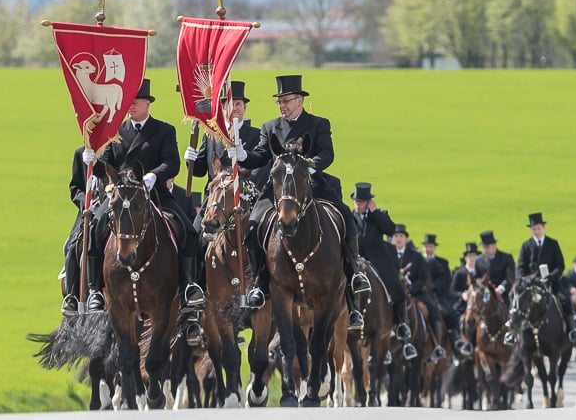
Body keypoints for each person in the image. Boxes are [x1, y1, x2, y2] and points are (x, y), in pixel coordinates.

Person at [237, 74, 369, 331]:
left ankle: (354, 273)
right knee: (253, 226)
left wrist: (309, 167)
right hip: (279, 191)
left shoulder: (318, 123)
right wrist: (242, 155)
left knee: (345, 216)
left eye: (286, 101)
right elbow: (261, 156)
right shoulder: (270, 127)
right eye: (280, 102)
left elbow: (327, 153)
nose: (282, 106)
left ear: (300, 100)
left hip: (313, 185)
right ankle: (260, 283)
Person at [90, 79, 205, 344]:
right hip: (121, 195)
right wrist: (94, 160)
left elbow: (172, 162)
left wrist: (154, 175)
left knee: (186, 229)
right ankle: (95, 288)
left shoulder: (163, 130)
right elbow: (107, 163)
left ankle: (189, 286)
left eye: (135, 102)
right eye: (128, 102)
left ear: (147, 103)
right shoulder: (117, 130)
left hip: (154, 193)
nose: (130, 106)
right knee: (96, 226)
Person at [183, 80, 263, 234]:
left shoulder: (256, 135)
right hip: (214, 199)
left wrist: (243, 186)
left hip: (244, 198)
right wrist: (191, 160)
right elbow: (200, 171)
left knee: (258, 237)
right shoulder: (211, 135)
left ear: (244, 107)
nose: (234, 108)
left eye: (238, 104)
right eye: (228, 104)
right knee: (193, 237)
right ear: (222, 108)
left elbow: (259, 168)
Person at [351, 182, 411, 345]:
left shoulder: (379, 215)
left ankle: (401, 323)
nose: (358, 205)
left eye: (361, 202)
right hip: (355, 259)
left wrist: (375, 213)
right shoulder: (349, 216)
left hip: (377, 259)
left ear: (368, 203)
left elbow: (390, 229)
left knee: (396, 287)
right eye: (356, 201)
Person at [511, 212, 576, 344]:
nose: (536, 231)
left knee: (564, 299)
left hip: (551, 283)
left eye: (538, 228)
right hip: (530, 285)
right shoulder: (526, 246)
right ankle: (513, 332)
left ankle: (572, 329)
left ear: (543, 228)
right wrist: (525, 279)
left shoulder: (553, 243)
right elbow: (520, 267)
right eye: (534, 229)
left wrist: (551, 276)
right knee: (517, 301)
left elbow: (560, 265)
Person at [60, 146, 104, 316]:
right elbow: (75, 188)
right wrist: (84, 202)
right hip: (87, 210)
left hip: (109, 207)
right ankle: (71, 295)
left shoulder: (114, 150)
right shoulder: (80, 154)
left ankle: (95, 290)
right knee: (72, 246)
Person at [392, 224, 443, 360]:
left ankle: (436, 346)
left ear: (405, 239)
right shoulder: (387, 254)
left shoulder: (415, 256)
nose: (398, 239)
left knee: (433, 308)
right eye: (396, 236)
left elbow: (423, 277)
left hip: (414, 292)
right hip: (393, 293)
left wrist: (412, 288)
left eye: (401, 236)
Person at [423, 233, 462, 352]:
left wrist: (434, 287)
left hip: (437, 295)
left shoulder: (442, 262)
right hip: (421, 294)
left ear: (435, 248)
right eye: (427, 246)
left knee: (449, 313)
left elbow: (445, 279)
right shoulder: (418, 260)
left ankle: (454, 341)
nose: (429, 249)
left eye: (431, 246)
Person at [478, 230, 515, 300]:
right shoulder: (479, 260)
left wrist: (501, 288)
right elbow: (477, 277)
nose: (485, 250)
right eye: (484, 247)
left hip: (503, 293)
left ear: (494, 245)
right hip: (486, 293)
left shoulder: (506, 257)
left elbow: (510, 276)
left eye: (487, 247)